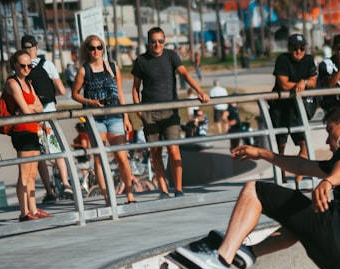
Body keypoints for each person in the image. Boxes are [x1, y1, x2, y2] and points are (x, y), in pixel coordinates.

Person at [172, 102, 340, 269]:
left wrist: (329, 182)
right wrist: (262, 153)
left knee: (254, 189)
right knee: (302, 215)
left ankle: (220, 260)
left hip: (336, 237)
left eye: (329, 132)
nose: (327, 141)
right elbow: (302, 166)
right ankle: (251, 252)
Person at [131, 26, 209, 198]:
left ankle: (179, 189)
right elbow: (135, 89)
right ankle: (163, 190)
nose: (157, 44)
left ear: (164, 41)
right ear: (148, 42)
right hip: (149, 113)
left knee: (174, 150)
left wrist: (200, 92)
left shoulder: (171, 56)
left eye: (160, 41)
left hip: (170, 112)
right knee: (156, 152)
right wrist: (139, 112)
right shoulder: (141, 61)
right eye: (153, 41)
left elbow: (185, 75)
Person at [71, 34, 136, 205]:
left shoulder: (113, 67)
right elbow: (74, 94)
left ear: (103, 49)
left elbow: (120, 93)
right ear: (87, 50)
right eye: (92, 48)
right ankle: (108, 198)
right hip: (95, 119)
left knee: (122, 157)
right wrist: (89, 102)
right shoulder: (84, 70)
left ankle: (129, 195)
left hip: (115, 117)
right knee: (99, 159)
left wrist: (126, 117)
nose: (96, 51)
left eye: (99, 47)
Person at [20, 34, 74, 203]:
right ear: (36, 47)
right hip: (49, 112)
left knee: (40, 154)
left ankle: (49, 191)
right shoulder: (47, 65)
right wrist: (49, 96)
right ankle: (65, 184)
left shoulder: (21, 68)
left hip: (32, 116)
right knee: (57, 150)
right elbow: (62, 90)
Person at [3, 50, 50, 222]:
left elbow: (39, 107)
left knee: (31, 173)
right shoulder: (12, 83)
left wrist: (30, 107)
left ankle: (33, 208)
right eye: (22, 65)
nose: (26, 69)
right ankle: (24, 212)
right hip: (21, 130)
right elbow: (25, 109)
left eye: (29, 65)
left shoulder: (28, 82)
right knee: (24, 173)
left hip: (33, 129)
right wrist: (30, 107)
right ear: (14, 65)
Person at [268, 33, 318, 164]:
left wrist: (304, 82)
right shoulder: (282, 60)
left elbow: (313, 82)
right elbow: (283, 85)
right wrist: (299, 85)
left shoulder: (309, 60)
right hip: (280, 108)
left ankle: (299, 179)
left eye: (302, 48)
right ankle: (282, 175)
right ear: (289, 48)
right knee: (280, 146)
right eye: (295, 48)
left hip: (297, 109)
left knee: (304, 145)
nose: (298, 52)